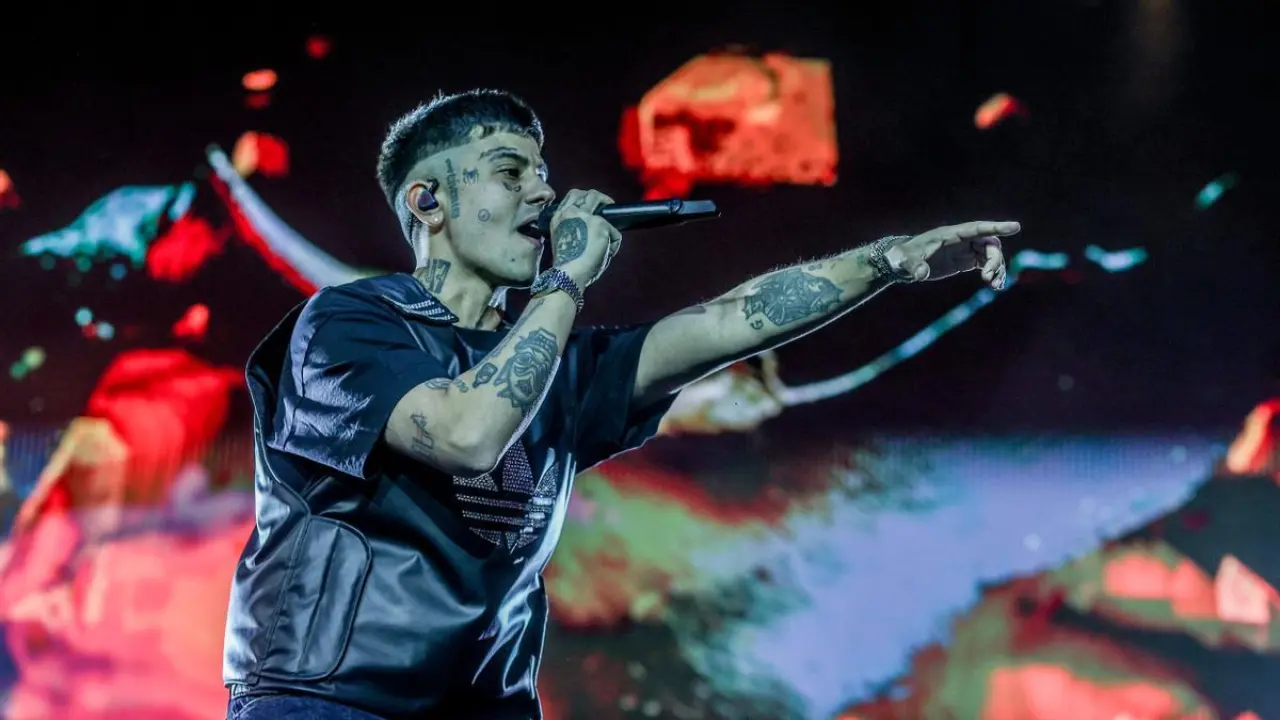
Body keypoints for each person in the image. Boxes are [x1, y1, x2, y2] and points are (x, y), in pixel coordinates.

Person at [221, 88, 1020, 720]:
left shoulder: (564, 365)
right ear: (429, 201)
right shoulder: (348, 325)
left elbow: (729, 319)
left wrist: (887, 261)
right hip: (328, 700)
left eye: (542, 174)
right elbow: (466, 433)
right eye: (510, 173)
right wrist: (566, 279)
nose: (543, 193)